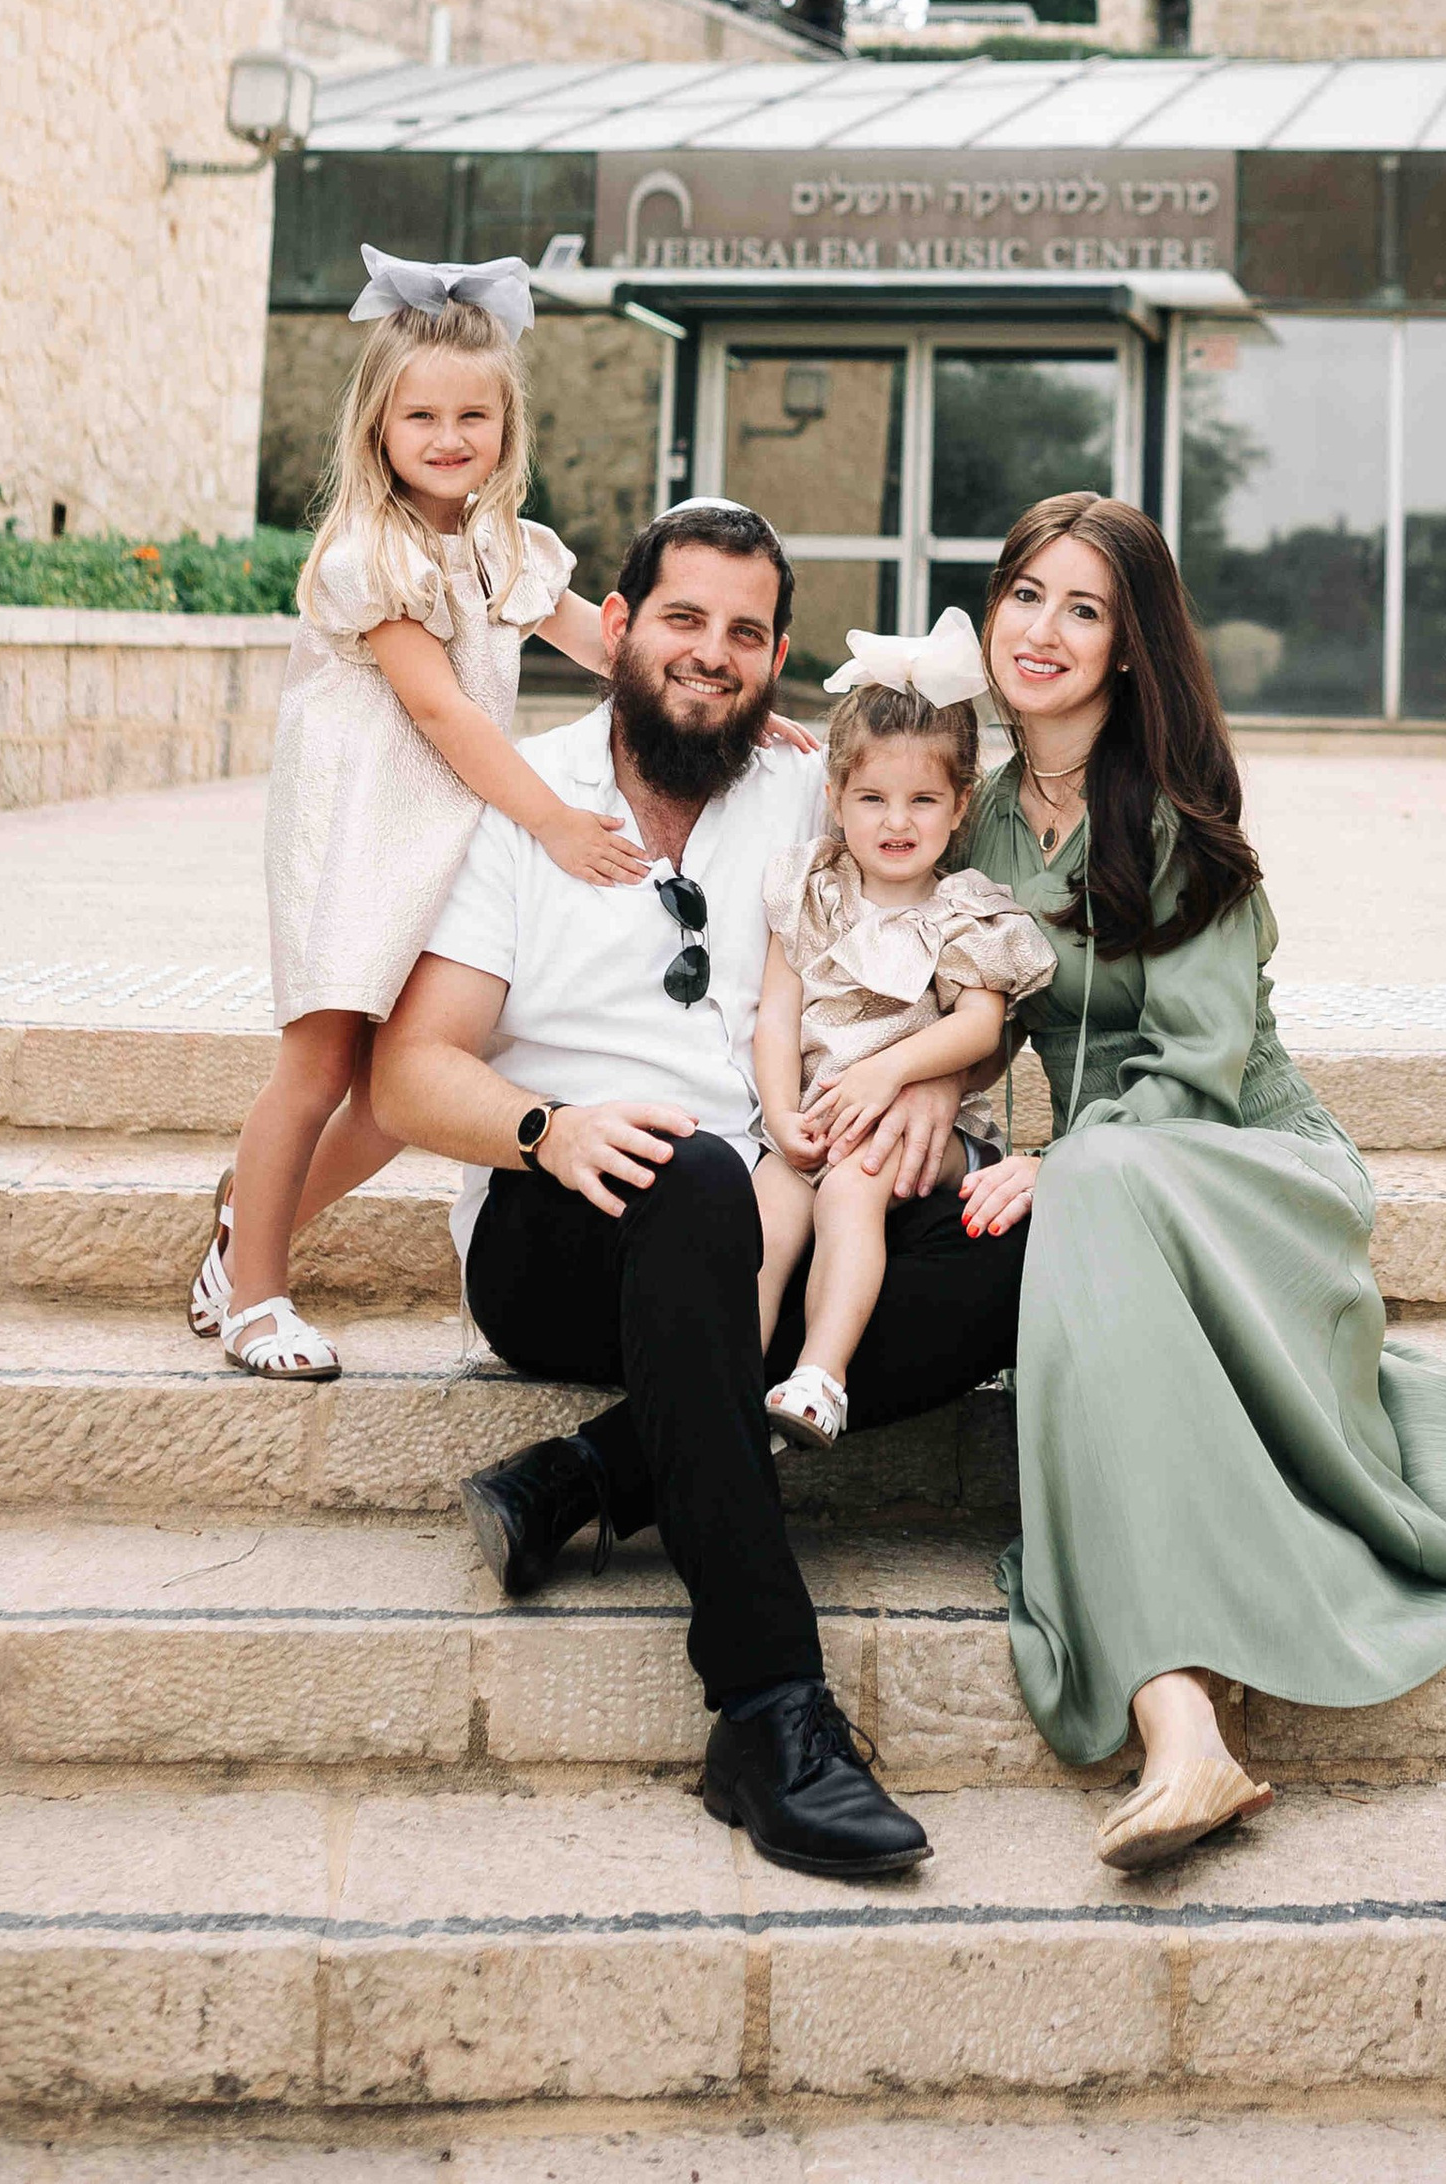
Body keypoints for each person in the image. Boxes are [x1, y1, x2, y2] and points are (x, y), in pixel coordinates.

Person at [371, 502, 1029, 1884]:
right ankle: (769, 1711)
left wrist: (920, 1084)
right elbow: (407, 1076)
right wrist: (545, 1127)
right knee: (701, 1185)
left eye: (744, 634)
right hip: (570, 1229)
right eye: (682, 620)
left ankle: (587, 1473)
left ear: (778, 659)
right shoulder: (528, 800)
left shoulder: (812, 791)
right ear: (616, 630)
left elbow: (952, 924)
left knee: (998, 1247)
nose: (710, 656)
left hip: (770, 1221)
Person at [957, 489, 1446, 1873]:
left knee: (1087, 1202)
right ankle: (1185, 1734)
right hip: (1104, 1188)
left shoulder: (1169, 811)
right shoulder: (974, 820)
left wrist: (1064, 1159)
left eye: (1083, 609)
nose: (1043, 630)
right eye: (1027, 594)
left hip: (1246, 1164)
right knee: (1074, 1227)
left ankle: (1181, 1711)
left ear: (1131, 648)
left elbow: (1207, 1059)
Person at [187, 247, 650, 1381]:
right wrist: (551, 821)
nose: (449, 438)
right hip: (355, 829)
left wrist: (706, 692)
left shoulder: (502, 545)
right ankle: (255, 1300)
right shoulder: (369, 553)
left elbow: (598, 640)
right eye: (423, 416)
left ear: (505, 427)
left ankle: (246, 1226)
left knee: (406, 1088)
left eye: (473, 418)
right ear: (379, 427)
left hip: (439, 829)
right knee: (321, 1066)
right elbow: (441, 710)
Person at [752, 614, 1055, 1452]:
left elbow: (978, 1027)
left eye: (923, 800)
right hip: (815, 1116)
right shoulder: (811, 891)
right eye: (873, 798)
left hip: (928, 1133)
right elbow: (777, 1015)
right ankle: (730, 1371)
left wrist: (887, 1075)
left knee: (853, 1185)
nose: (897, 822)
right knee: (768, 1210)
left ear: (960, 805)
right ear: (835, 795)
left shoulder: (963, 910)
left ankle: (822, 1374)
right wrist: (781, 1114)